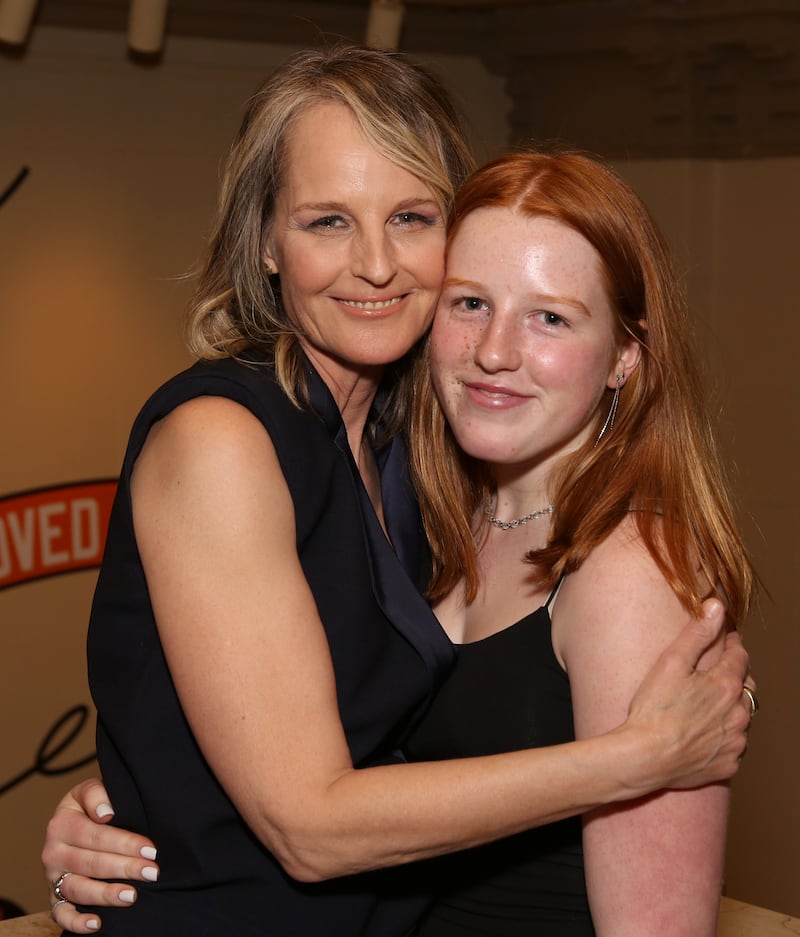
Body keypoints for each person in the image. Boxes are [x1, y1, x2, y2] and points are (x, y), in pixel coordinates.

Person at [41, 46, 752, 937]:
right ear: (265, 241)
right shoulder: (224, 440)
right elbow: (304, 818)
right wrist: (635, 757)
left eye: (411, 217)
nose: (375, 264)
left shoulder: (414, 460)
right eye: (327, 221)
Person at [404, 149, 757, 936]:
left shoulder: (627, 567)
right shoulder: (427, 521)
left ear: (625, 357)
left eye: (550, 318)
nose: (494, 350)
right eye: (470, 303)